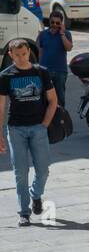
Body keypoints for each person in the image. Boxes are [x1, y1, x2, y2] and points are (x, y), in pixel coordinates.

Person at [0, 37, 58, 225]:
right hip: (16, 129)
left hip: (38, 127)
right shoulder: (6, 76)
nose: (21, 58)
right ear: (10, 55)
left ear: (28, 53)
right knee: (20, 172)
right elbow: (1, 107)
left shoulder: (41, 72)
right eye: (17, 55)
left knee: (43, 170)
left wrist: (45, 124)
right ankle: (24, 212)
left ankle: (36, 194)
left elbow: (53, 100)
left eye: (24, 54)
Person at [36, 8, 72, 108]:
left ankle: (60, 120)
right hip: (45, 71)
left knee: (60, 98)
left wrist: (62, 34)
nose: (55, 25)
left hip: (60, 71)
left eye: (57, 23)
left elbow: (69, 48)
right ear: (49, 21)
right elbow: (40, 52)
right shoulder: (43, 34)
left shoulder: (66, 34)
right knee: (44, 97)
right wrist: (39, 68)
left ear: (61, 23)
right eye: (52, 22)